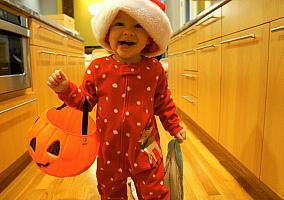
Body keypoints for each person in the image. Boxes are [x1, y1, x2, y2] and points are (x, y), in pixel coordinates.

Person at [47, 0, 186, 199]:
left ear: (149, 37)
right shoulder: (98, 68)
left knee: (155, 192)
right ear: (107, 32)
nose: (128, 32)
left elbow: (163, 102)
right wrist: (65, 89)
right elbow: (85, 102)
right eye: (119, 24)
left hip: (145, 146)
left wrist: (174, 125)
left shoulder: (154, 70)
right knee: (110, 193)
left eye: (138, 26)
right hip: (109, 149)